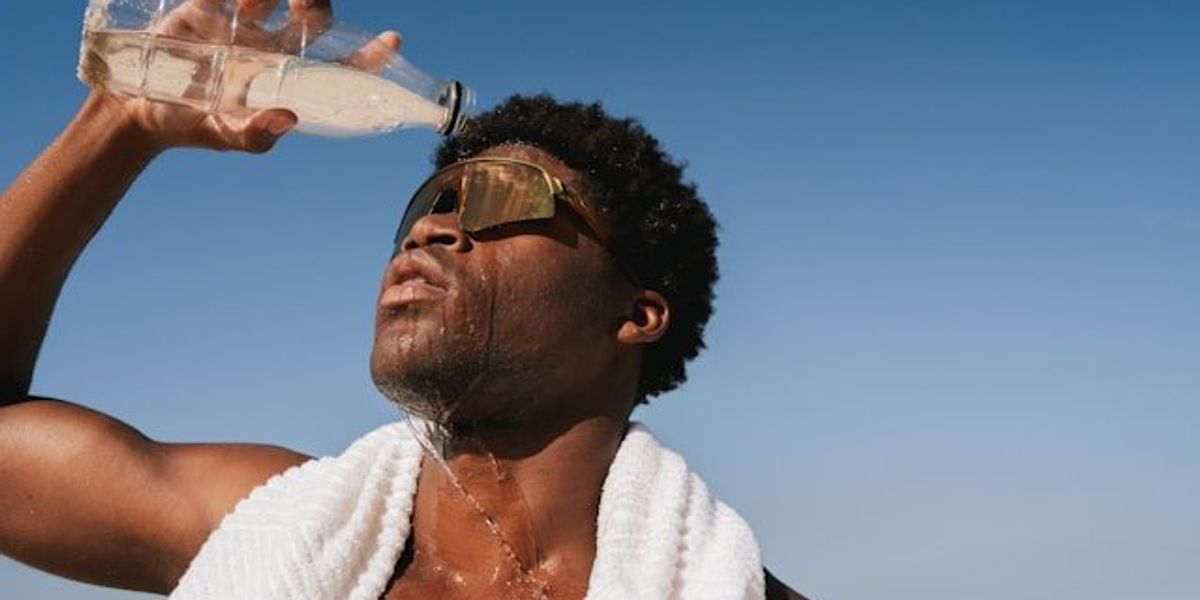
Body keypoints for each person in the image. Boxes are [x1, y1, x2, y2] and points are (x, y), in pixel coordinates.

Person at [0, 2, 806, 598]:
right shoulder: (268, 523)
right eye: (430, 203)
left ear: (635, 315)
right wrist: (121, 124)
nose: (432, 231)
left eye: (502, 199)